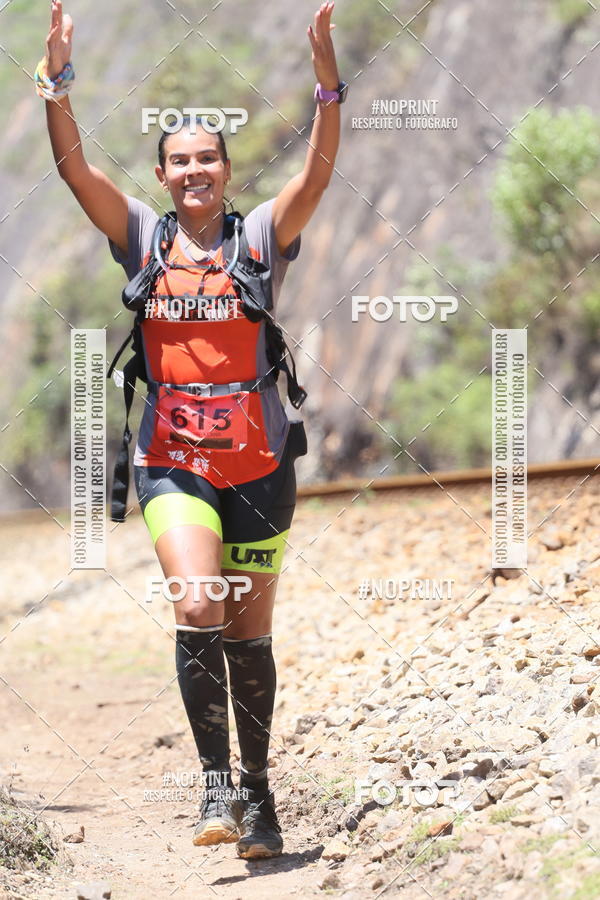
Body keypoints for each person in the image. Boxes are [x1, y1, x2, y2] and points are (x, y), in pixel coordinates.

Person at [41, 0, 344, 859]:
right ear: (165, 173)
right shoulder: (141, 235)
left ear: (226, 167)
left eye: (208, 157)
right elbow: (71, 169)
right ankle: (214, 785)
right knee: (198, 602)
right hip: (172, 462)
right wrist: (55, 80)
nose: (194, 170)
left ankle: (259, 794)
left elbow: (319, 176)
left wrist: (327, 78)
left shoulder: (259, 236)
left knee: (250, 638)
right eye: (179, 160)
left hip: (261, 464)